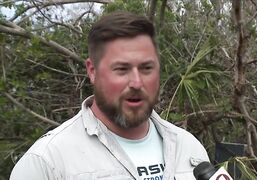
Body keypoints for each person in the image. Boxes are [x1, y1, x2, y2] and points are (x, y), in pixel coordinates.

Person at [10, 11, 209, 180]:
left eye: (147, 68)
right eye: (121, 69)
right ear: (92, 71)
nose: (137, 83)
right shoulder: (47, 163)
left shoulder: (189, 148)